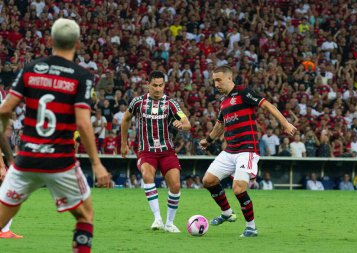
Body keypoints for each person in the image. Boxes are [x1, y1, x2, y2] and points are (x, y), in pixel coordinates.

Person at [0, 18, 109, 252]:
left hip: (26, 158)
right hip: (61, 162)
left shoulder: (30, 70)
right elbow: (82, 122)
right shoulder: (82, 76)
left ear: (49, 41)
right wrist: (97, 164)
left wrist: (4, 131)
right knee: (85, 215)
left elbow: (5, 109)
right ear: (78, 44)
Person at [200, 65, 296, 237]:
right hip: (230, 151)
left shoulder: (244, 93)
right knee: (208, 180)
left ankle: (251, 227)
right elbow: (220, 125)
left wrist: (285, 124)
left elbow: (268, 106)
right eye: (214, 80)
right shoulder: (223, 102)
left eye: (218, 80)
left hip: (247, 150)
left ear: (230, 78)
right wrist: (208, 140)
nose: (216, 83)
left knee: (238, 188)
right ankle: (227, 213)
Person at [121, 70, 191, 233]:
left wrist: (183, 126)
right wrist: (124, 143)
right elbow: (125, 119)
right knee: (147, 175)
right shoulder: (137, 102)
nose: (158, 89)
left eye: (161, 86)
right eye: (155, 85)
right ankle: (157, 218)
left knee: (175, 185)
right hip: (146, 151)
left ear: (164, 86)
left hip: (167, 151)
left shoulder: (171, 104)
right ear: (148, 85)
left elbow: (186, 122)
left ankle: (169, 223)